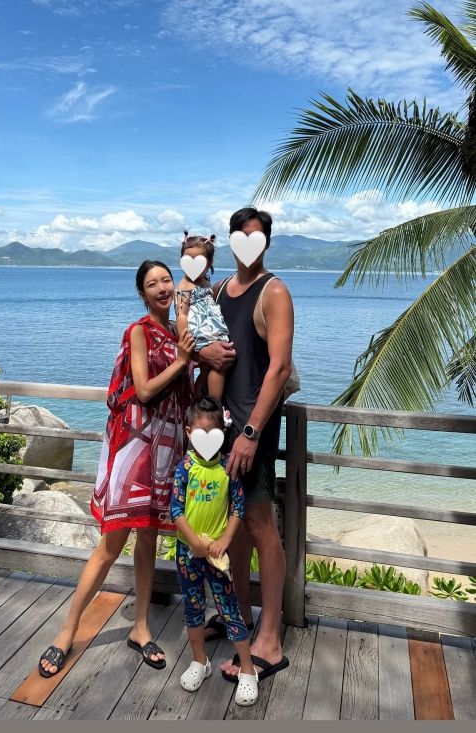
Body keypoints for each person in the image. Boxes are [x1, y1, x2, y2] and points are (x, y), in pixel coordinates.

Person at [38, 260, 195, 677]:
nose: (161, 287)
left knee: (149, 540)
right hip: (134, 448)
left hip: (166, 448)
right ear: (142, 294)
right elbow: (142, 389)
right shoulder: (138, 331)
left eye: (166, 280)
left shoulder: (178, 331)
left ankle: (140, 627)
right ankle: (67, 632)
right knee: (111, 545)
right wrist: (181, 361)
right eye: (152, 283)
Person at [199, 207, 294, 684]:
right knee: (233, 526)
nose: (247, 243)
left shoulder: (273, 291)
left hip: (253, 431)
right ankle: (238, 614)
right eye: (240, 235)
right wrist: (203, 351)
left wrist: (252, 433)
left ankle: (270, 639)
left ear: (266, 243)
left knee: (259, 524)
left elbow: (279, 367)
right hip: (221, 429)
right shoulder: (219, 291)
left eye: (256, 236)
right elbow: (197, 338)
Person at [170, 396, 259, 707]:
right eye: (200, 433)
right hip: (188, 553)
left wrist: (225, 540)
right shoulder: (185, 468)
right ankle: (199, 660)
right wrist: (193, 541)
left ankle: (247, 669)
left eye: (214, 433)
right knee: (192, 607)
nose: (207, 439)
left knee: (229, 608)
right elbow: (176, 509)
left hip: (218, 556)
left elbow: (237, 508)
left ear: (223, 433)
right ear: (188, 432)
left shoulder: (227, 468)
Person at [175, 231, 229, 400]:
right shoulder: (184, 286)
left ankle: (201, 397)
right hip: (201, 332)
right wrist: (185, 339)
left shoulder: (205, 281)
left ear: (209, 263)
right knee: (218, 367)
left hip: (210, 328)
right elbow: (181, 314)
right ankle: (215, 403)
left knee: (207, 369)